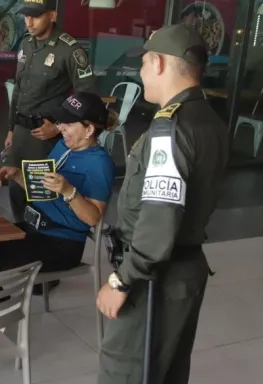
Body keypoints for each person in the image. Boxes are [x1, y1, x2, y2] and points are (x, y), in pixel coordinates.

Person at [96, 24, 228, 384]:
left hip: (155, 281)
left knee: (125, 371)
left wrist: (121, 281)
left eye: (143, 64)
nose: (140, 74)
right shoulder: (208, 118)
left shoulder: (170, 128)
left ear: (157, 64)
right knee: (166, 371)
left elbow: (159, 220)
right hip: (184, 271)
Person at [0, 92, 115, 285]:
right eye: (60, 122)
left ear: (89, 130)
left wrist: (69, 191)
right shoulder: (62, 146)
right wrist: (17, 175)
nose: (61, 128)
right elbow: (41, 189)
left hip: (61, 243)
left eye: (68, 123)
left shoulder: (99, 164)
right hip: (34, 229)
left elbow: (93, 217)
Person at [6, 0, 98, 225]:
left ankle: (42, 244)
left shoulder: (70, 50)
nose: (29, 22)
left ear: (53, 16)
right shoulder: (26, 44)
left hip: (46, 137)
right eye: (26, 16)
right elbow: (18, 90)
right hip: (21, 132)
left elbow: (86, 97)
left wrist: (59, 127)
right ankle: (20, 241)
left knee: (41, 194)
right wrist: (10, 128)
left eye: (36, 16)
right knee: (16, 190)